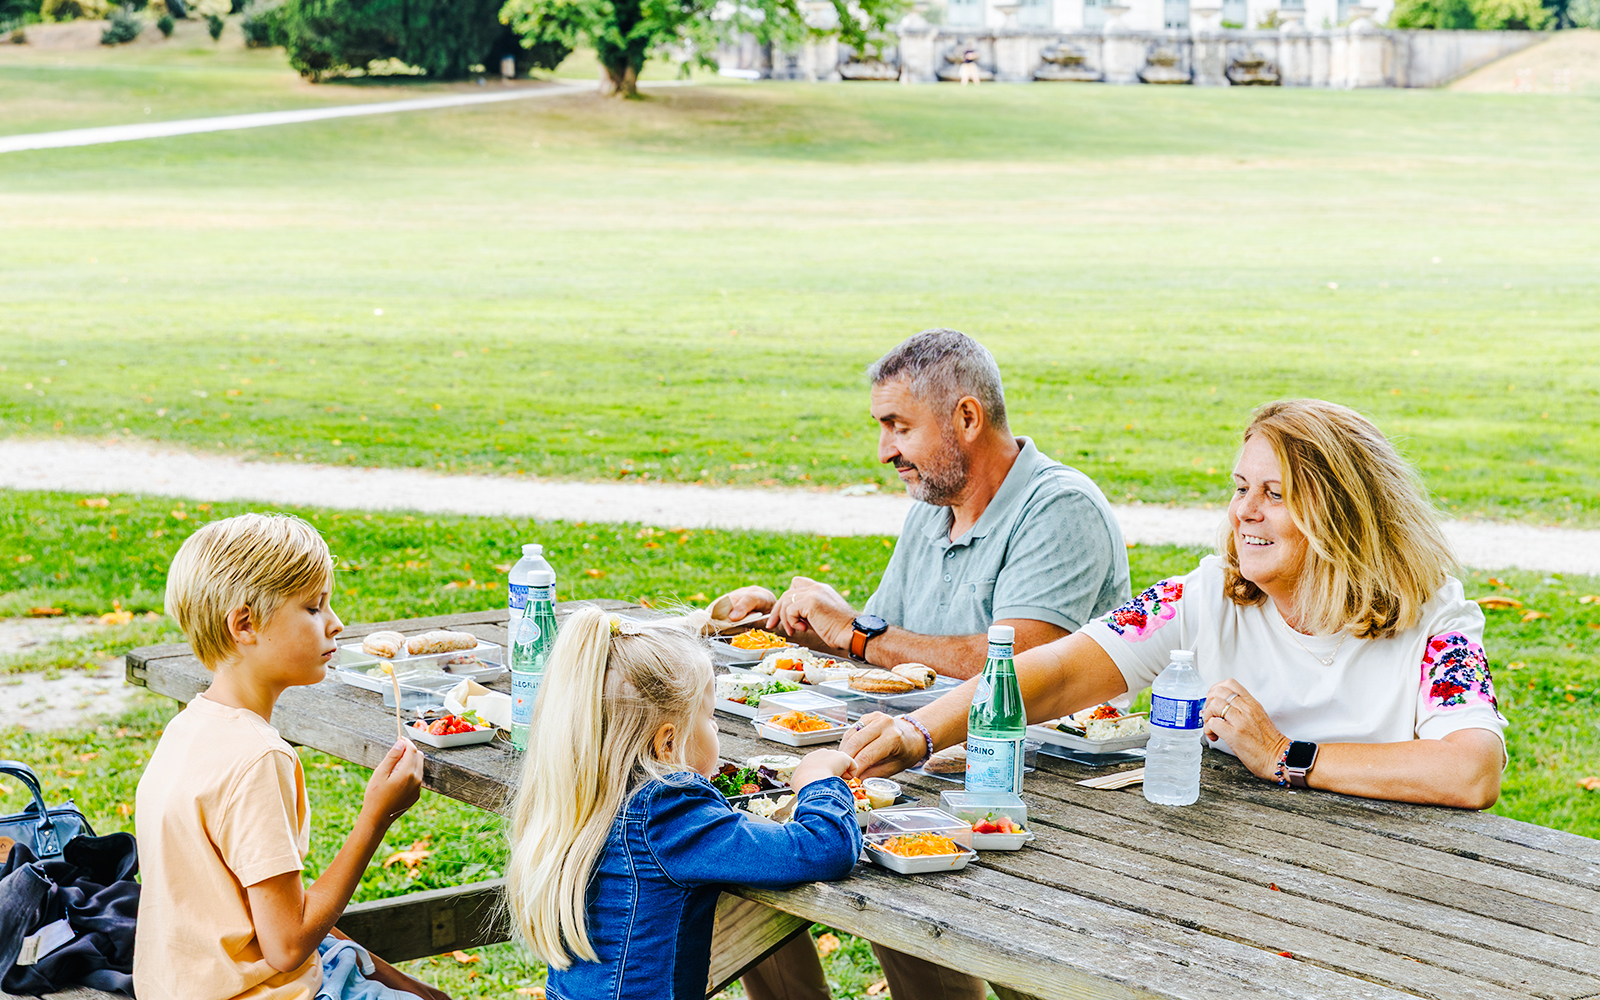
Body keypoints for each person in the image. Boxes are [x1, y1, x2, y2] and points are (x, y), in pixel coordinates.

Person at [847, 399, 1507, 813]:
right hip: (1221, 870)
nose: (1244, 511)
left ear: (1339, 514)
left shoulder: (1431, 619)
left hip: (1395, 892)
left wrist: (1285, 755)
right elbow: (1056, 673)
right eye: (1242, 486)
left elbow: (1471, 769)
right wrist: (918, 731)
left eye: (1275, 494)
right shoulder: (1206, 596)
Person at [727, 328, 1130, 1000]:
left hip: (1042, 803)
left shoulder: (1059, 507)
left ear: (967, 418)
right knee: (747, 844)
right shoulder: (932, 508)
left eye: (899, 426)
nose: (885, 450)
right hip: (921, 774)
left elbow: (1012, 667)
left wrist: (859, 633)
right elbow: (889, 649)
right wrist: (791, 618)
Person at [136, 513, 448, 1000]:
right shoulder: (257, 757)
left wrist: (407, 983)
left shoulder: (188, 730)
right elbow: (286, 947)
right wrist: (376, 817)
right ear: (245, 624)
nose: (336, 623)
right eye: (313, 607)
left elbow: (272, 915)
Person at [503, 606, 862, 1000]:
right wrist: (819, 780)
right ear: (668, 742)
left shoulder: (580, 790)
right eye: (710, 717)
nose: (718, 726)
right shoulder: (671, 810)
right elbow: (821, 848)